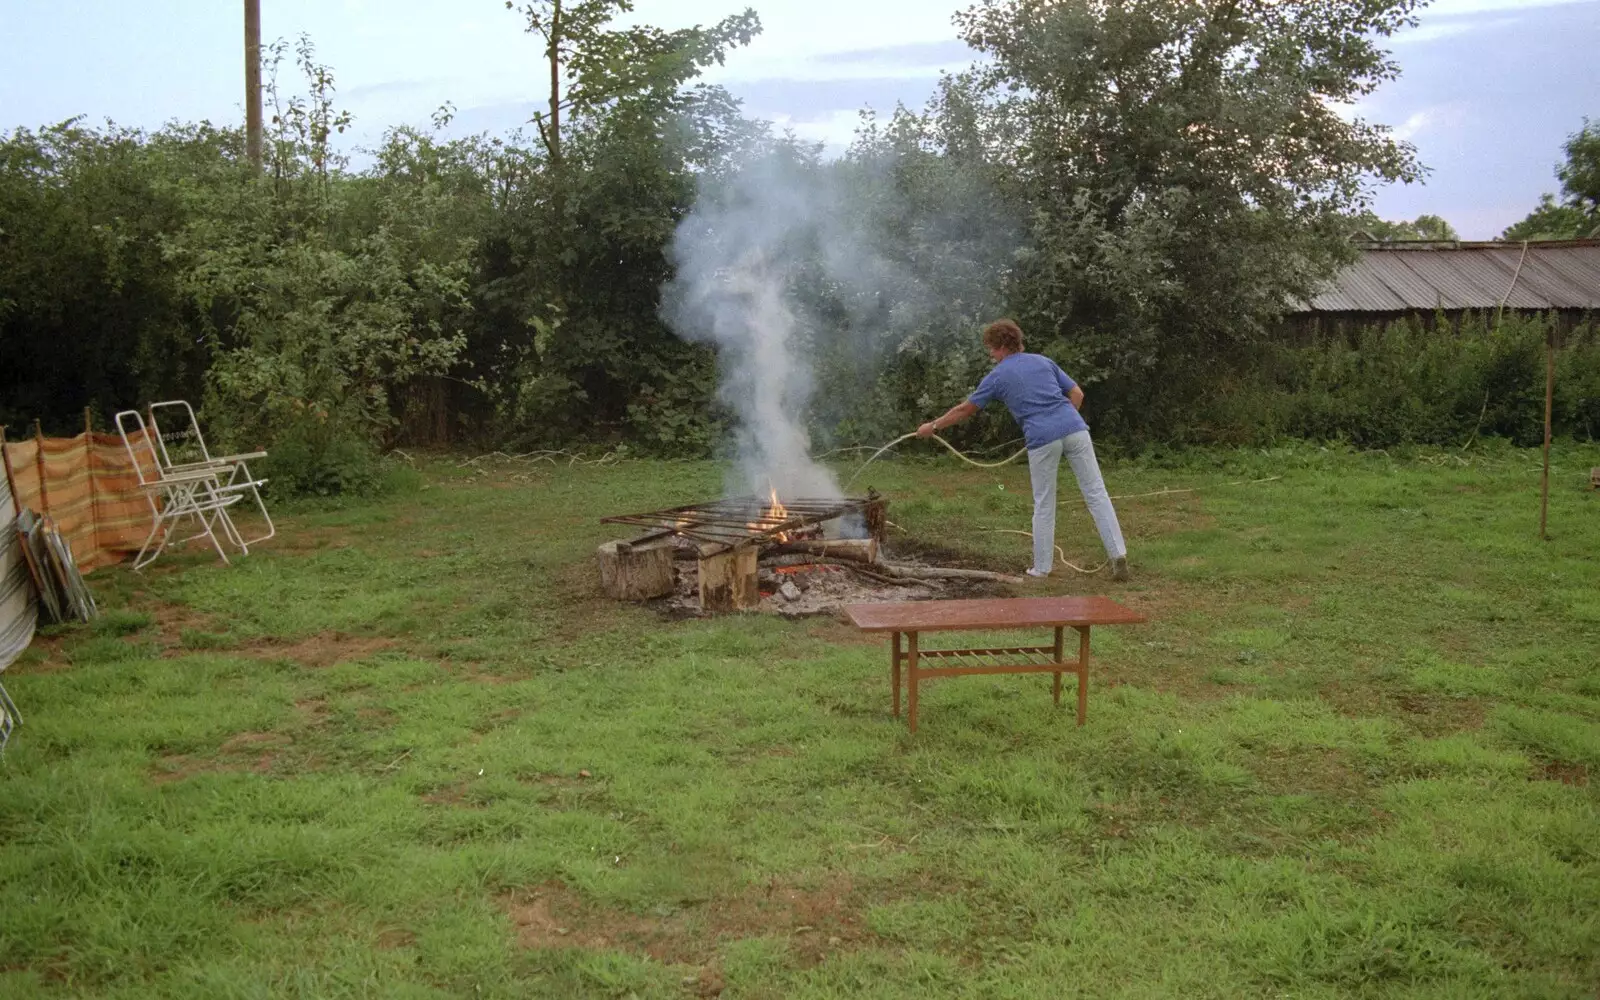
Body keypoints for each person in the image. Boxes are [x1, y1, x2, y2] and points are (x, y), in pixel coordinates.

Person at [917, 319, 1129, 581]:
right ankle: (1118, 554)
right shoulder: (1042, 361)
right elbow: (1077, 394)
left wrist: (933, 426)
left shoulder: (997, 376)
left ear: (1002, 347)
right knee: (1096, 492)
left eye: (991, 350)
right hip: (1075, 429)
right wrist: (1062, 419)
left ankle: (1042, 568)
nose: (990, 355)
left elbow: (966, 410)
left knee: (1044, 502)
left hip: (1042, 438)